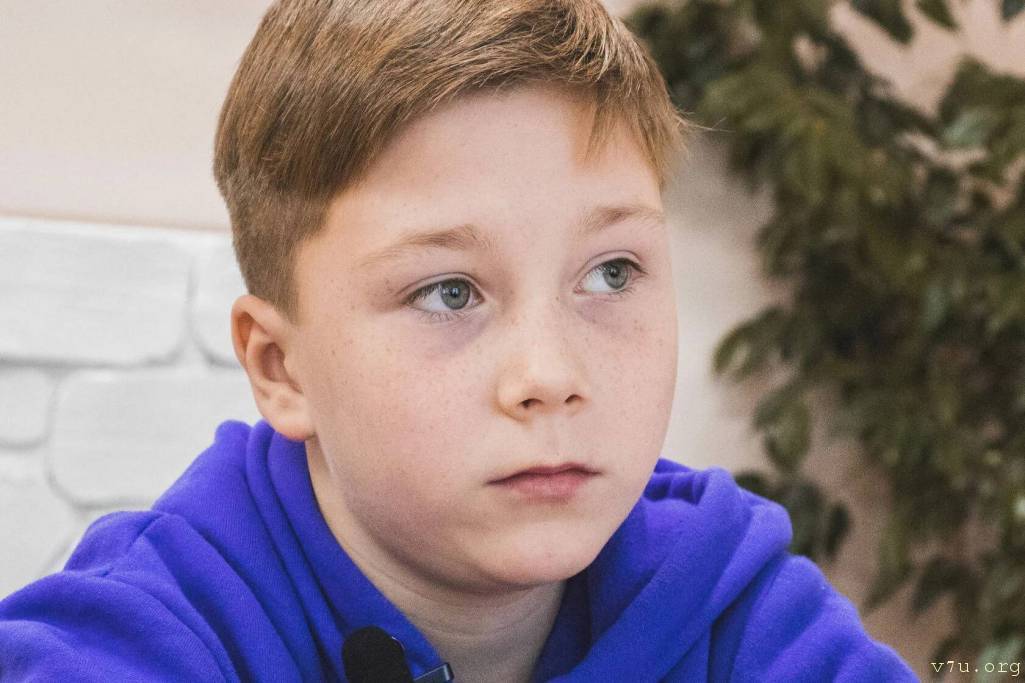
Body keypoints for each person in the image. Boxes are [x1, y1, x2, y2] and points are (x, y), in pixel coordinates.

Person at [0, 0, 917, 680]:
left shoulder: (737, 606)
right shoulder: (138, 639)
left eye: (611, 273)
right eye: (448, 292)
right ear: (282, 368)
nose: (550, 377)